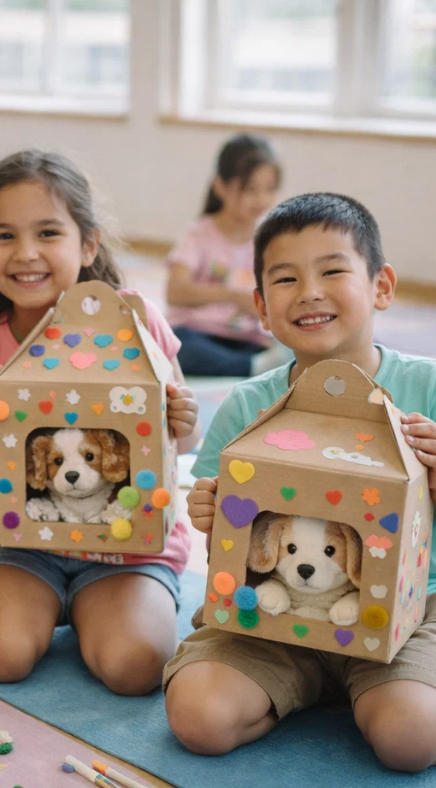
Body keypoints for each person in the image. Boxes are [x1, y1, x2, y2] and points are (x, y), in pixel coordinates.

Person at [164, 192, 436, 773]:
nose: (310, 291)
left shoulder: (427, 390)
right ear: (261, 308)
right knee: (199, 719)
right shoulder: (248, 407)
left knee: (411, 740)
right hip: (274, 612)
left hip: (409, 615)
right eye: (286, 279)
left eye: (333, 270)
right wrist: (214, 518)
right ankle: (308, 686)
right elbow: (232, 550)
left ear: (382, 287)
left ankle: (362, 689)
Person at [0, 150, 201, 694]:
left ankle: (95, 606)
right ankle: (48, 605)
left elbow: (178, 444)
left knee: (136, 665)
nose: (25, 254)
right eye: (3, 236)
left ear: (88, 244)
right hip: (17, 546)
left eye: (47, 233)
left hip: (127, 545)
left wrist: (183, 419)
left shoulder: (133, 320)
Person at [166, 133, 289, 376]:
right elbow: (175, 292)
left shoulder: (271, 239)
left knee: (290, 347)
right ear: (221, 187)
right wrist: (233, 296)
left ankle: (258, 365)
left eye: (270, 189)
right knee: (178, 350)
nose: (262, 199)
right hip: (196, 332)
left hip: (248, 338)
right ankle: (254, 369)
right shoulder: (198, 235)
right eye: (250, 189)